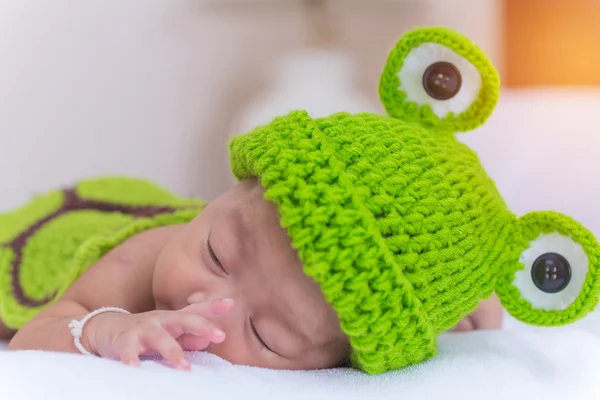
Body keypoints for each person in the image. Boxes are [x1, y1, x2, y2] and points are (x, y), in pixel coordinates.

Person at [3, 27, 597, 375]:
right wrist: (101, 329)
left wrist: (467, 303)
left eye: (267, 335)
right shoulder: (142, 262)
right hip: (68, 222)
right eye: (215, 253)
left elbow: (458, 312)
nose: (203, 301)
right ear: (234, 188)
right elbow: (38, 334)